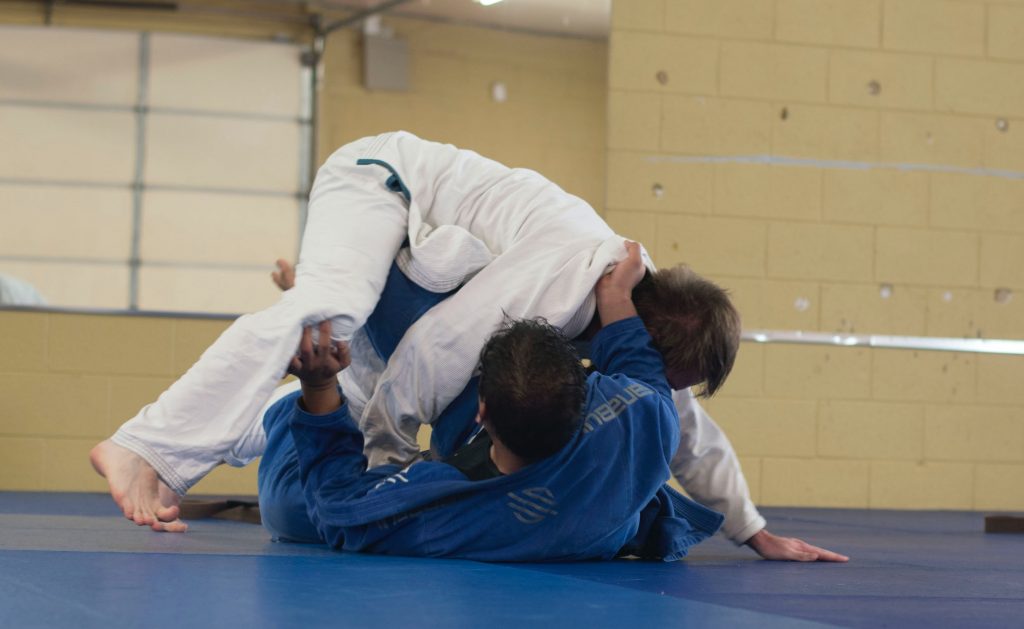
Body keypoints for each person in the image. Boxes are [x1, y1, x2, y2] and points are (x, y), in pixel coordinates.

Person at [91, 131, 845, 562]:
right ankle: (145, 445)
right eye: (667, 369)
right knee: (333, 309)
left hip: (427, 257)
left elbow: (685, 426)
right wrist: (385, 467)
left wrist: (752, 528)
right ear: (644, 332)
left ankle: (276, 410)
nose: (661, 383)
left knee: (340, 372)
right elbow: (432, 349)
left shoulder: (633, 329)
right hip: (378, 182)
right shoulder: (563, 278)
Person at [257, 244, 723, 560]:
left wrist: (318, 388)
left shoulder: (447, 511)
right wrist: (618, 297)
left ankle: (292, 405)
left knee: (289, 510)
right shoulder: (644, 418)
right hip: (583, 509)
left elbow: (336, 508)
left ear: (482, 412)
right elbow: (638, 362)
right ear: (585, 394)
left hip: (452, 478)